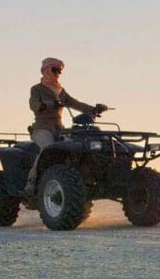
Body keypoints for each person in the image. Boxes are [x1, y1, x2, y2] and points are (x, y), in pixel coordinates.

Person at [24, 58, 106, 193]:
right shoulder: (37, 89)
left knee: (78, 147)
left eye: (60, 71)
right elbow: (33, 104)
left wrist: (94, 110)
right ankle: (31, 182)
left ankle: (83, 180)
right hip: (42, 128)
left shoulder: (60, 91)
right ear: (46, 70)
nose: (57, 73)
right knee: (48, 149)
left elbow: (76, 104)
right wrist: (45, 104)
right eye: (54, 70)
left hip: (60, 128)